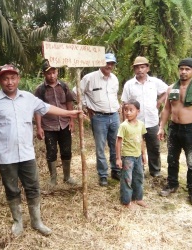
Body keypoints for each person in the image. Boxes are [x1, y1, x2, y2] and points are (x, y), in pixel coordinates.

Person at [0, 64, 81, 237]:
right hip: (5, 155)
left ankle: (36, 221)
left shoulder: (28, 98)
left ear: (18, 79)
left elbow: (48, 108)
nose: (9, 82)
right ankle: (18, 221)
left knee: (33, 187)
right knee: (11, 188)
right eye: (5, 78)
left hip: (26, 153)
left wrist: (70, 113)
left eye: (13, 78)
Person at [157, 58, 192, 206]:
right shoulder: (172, 88)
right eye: (181, 69)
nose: (184, 72)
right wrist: (161, 127)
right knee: (172, 159)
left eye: (187, 69)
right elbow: (166, 109)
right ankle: (172, 184)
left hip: (189, 129)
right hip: (174, 128)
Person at [121, 56, 168, 177]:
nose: (140, 70)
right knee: (135, 147)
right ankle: (138, 171)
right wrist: (124, 123)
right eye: (137, 67)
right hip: (135, 123)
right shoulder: (129, 85)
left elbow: (167, 90)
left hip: (152, 121)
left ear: (147, 68)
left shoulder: (155, 82)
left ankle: (155, 171)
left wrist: (159, 102)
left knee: (154, 147)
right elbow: (124, 104)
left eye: (142, 67)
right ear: (134, 69)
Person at [79, 53, 121, 186]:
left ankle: (115, 170)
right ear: (100, 63)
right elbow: (77, 92)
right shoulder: (90, 78)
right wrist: (86, 106)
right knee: (100, 147)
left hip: (114, 116)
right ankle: (103, 175)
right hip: (99, 117)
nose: (109, 66)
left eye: (112, 63)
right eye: (107, 63)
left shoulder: (114, 79)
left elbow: (114, 96)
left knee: (115, 145)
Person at [34, 60, 77, 188]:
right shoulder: (40, 90)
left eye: (54, 72)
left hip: (64, 124)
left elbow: (69, 103)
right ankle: (53, 178)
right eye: (49, 73)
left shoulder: (64, 86)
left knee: (66, 150)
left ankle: (67, 176)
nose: (52, 76)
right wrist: (39, 127)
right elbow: (37, 109)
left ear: (57, 72)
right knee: (51, 151)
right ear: (44, 74)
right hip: (48, 126)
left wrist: (71, 120)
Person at [116, 100, 148, 208]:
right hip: (127, 157)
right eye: (126, 110)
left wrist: (143, 154)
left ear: (138, 111)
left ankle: (138, 198)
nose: (128, 113)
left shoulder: (141, 125)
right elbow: (119, 142)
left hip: (138, 156)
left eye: (131, 110)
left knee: (138, 177)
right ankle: (126, 201)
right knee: (127, 179)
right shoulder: (123, 126)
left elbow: (141, 140)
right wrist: (118, 158)